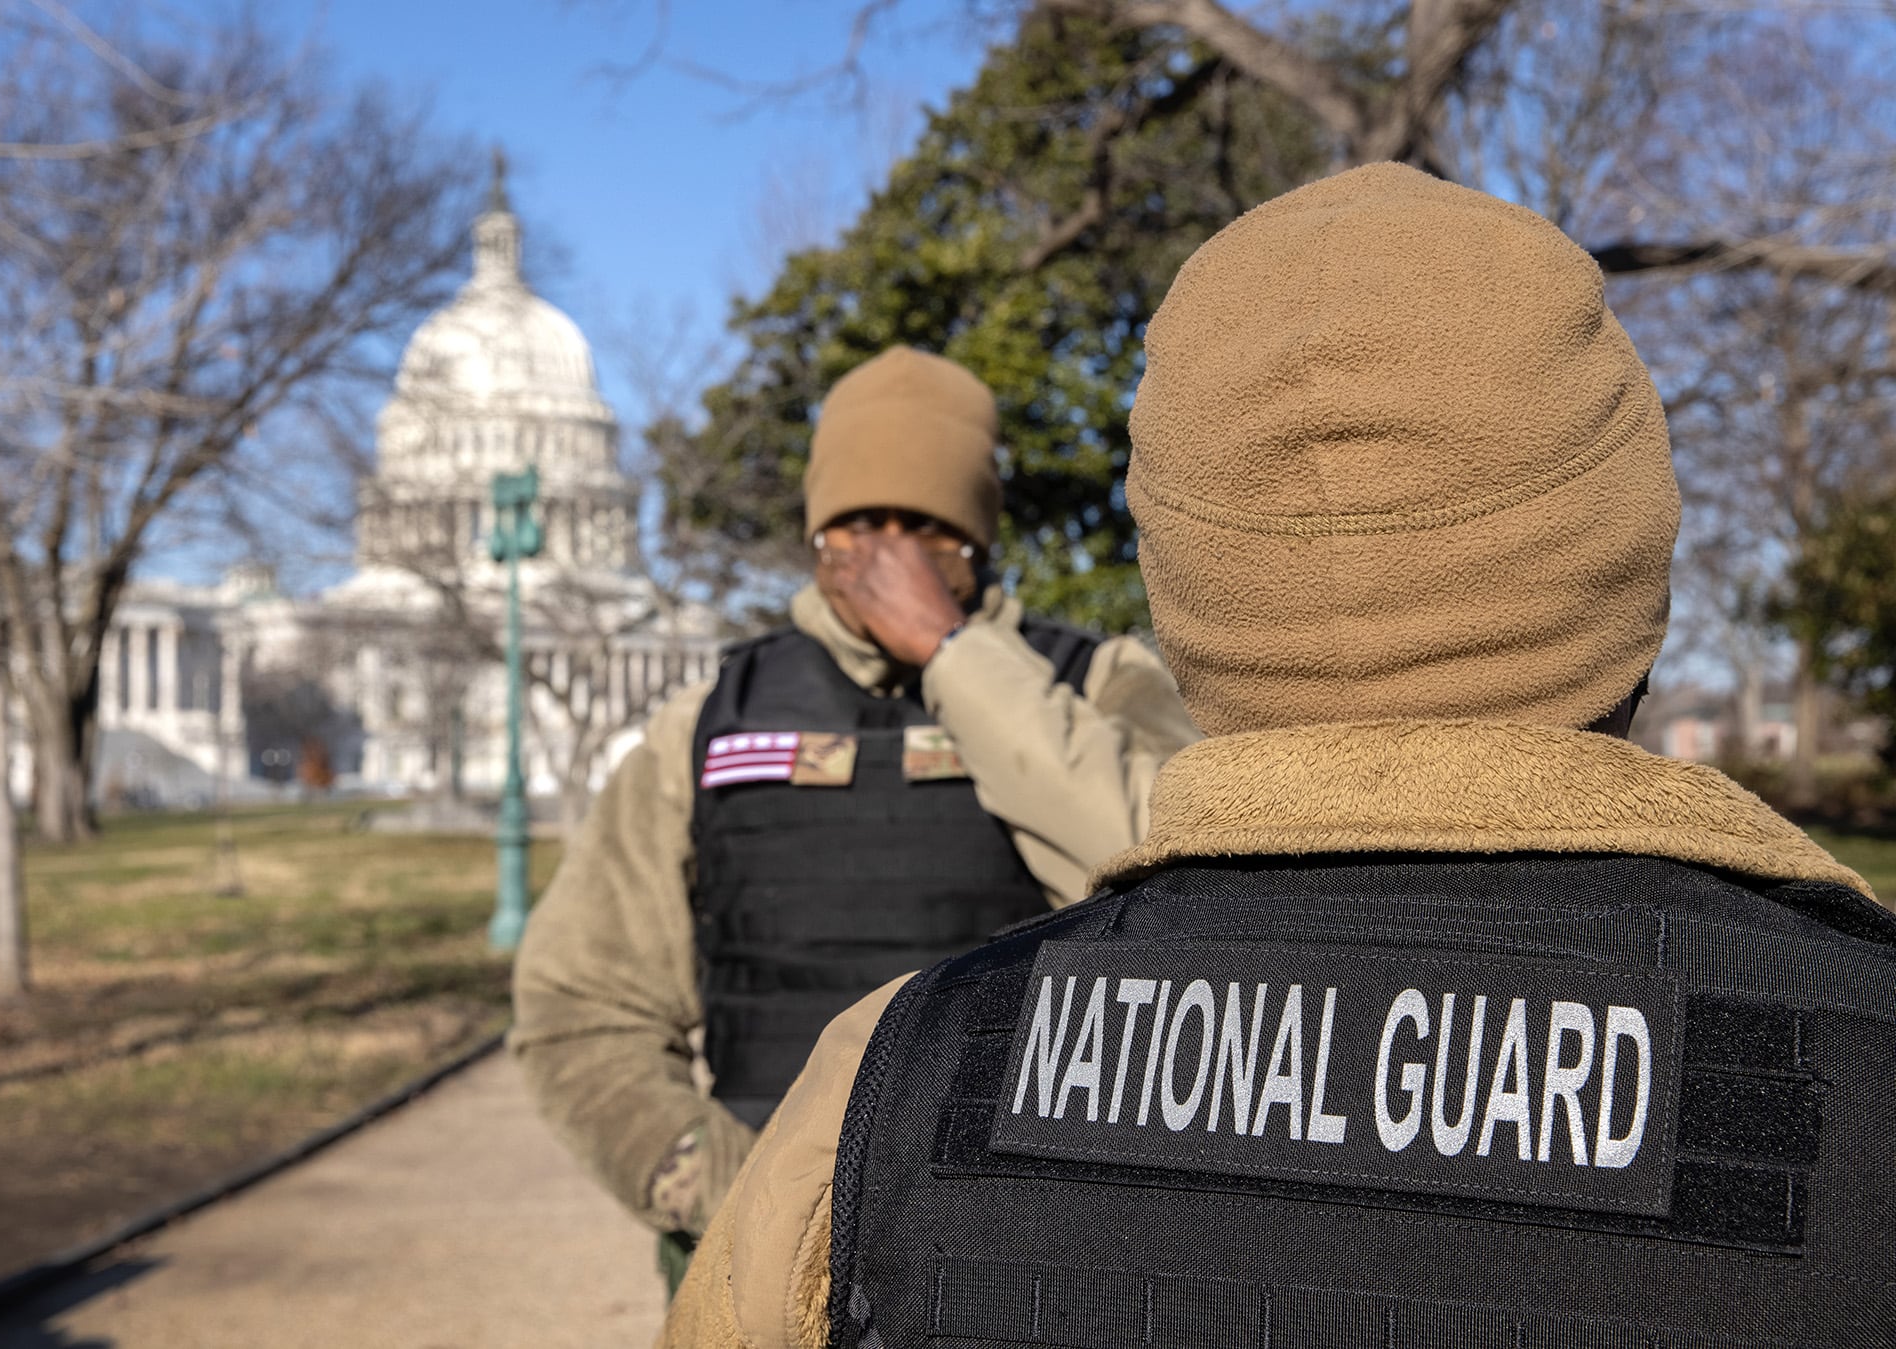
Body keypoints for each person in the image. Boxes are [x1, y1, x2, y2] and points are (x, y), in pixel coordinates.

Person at [660, 164, 1896, 1348]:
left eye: (930, 526)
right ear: (1627, 561)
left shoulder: (883, 1083)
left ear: (1187, 580)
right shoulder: (1853, 1054)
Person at [509, 345, 1198, 1287]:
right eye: (856, 525)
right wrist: (727, 1193)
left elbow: (1169, 882)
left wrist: (955, 655)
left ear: (977, 538)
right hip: (760, 1263)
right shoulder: (711, 721)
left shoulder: (1101, 681)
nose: (886, 555)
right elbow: (579, 1001)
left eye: (924, 527)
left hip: (1021, 1257)